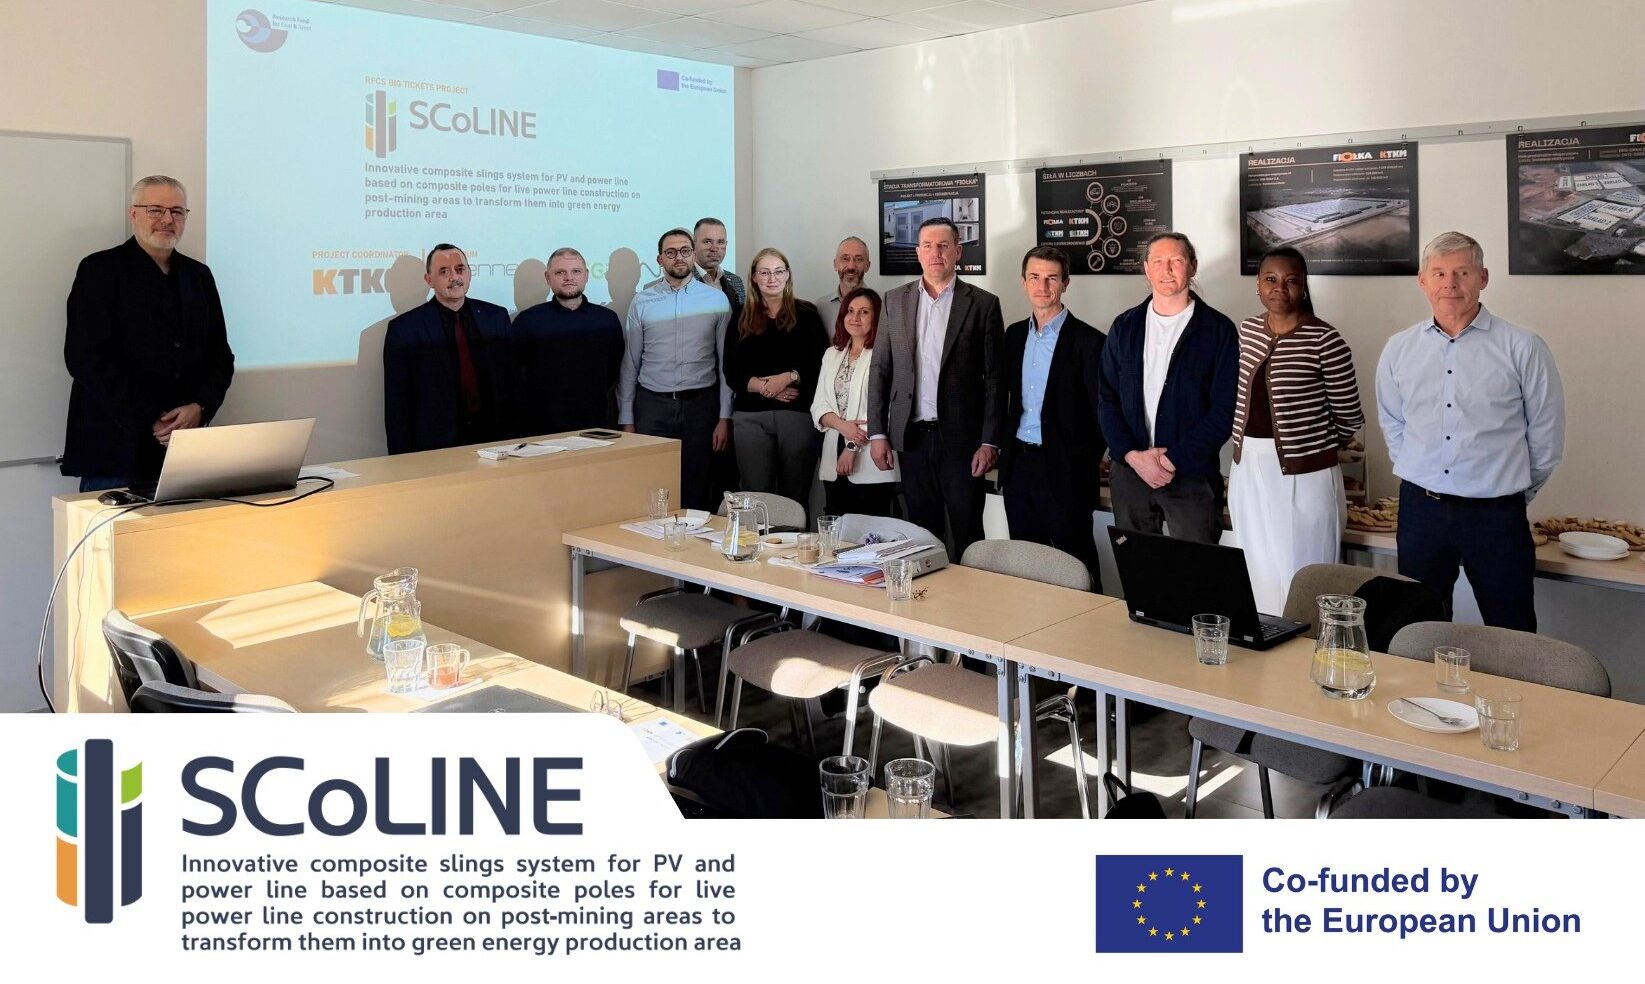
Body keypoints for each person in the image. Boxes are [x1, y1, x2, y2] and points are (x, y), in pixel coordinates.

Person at [1376, 231, 1564, 631]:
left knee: (1512, 631)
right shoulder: (1398, 349)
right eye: (1439, 273)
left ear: (1483, 278)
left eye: (1462, 272)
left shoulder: (1523, 347)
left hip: (1496, 515)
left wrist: (1511, 491)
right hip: (1421, 511)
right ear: (1423, 281)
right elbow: (1393, 423)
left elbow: (1546, 438)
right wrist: (1420, 471)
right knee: (1418, 629)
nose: (1450, 284)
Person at [62, 175, 235, 493]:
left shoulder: (198, 276)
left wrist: (201, 407)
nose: (167, 219)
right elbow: (85, 358)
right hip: (116, 451)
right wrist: (151, 416)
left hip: (184, 449)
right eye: (155, 210)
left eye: (177, 211)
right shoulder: (100, 270)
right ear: (133, 214)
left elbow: (220, 355)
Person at [1229, 247, 1364, 614]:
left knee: (1303, 573)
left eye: (1291, 281)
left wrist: (1312, 446)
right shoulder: (1248, 330)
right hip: (1248, 468)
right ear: (1258, 285)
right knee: (1256, 570)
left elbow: (1349, 415)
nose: (1280, 288)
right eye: (1270, 279)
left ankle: (1306, 643)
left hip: (1306, 475)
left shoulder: (1326, 339)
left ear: (1304, 287)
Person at [866, 217, 1004, 558]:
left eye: (943, 246)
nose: (935, 253)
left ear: (958, 252)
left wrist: (989, 441)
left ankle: (971, 593)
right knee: (921, 535)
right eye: (927, 246)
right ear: (918, 252)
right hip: (912, 439)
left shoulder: (983, 304)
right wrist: (878, 433)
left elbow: (995, 380)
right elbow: (880, 369)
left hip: (962, 442)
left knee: (968, 532)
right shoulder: (894, 300)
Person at [1097, 231, 1238, 544]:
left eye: (1176, 260)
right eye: (1158, 261)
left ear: (1192, 266)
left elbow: (1224, 412)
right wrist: (1133, 456)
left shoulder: (1218, 330)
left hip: (1191, 475)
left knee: (1194, 569)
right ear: (1147, 269)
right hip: (1130, 474)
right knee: (1136, 565)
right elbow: (1107, 400)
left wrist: (1169, 460)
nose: (1167, 269)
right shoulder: (1125, 327)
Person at [1001, 246, 1108, 590]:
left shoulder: (1090, 342)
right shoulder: (1014, 335)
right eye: (1035, 277)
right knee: (1025, 563)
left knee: (1075, 562)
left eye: (1051, 278)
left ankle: (1090, 623)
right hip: (1019, 466)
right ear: (1023, 282)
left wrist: (1084, 461)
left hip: (1066, 469)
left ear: (1065, 283)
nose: (1042, 286)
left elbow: (1102, 413)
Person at [619, 228, 733, 511]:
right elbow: (630, 364)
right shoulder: (642, 301)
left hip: (700, 407)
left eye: (684, 251)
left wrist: (724, 417)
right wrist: (627, 419)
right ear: (660, 259)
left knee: (697, 485)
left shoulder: (716, 300)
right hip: (652, 406)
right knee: (652, 485)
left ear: (693, 255)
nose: (678, 257)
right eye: (670, 252)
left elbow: (725, 364)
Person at [383, 244, 519, 455]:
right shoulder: (405, 329)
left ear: (469, 273)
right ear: (429, 280)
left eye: (460, 269)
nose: (454, 277)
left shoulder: (496, 317)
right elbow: (397, 406)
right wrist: (401, 461)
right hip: (435, 448)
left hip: (495, 441)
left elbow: (512, 384)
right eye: (444, 271)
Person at [722, 248, 829, 514]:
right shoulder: (740, 315)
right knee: (756, 496)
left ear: (788, 275)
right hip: (750, 417)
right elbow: (731, 370)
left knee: (796, 495)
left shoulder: (807, 314)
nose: (772, 278)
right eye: (765, 273)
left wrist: (788, 377)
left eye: (778, 271)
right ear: (754, 277)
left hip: (797, 416)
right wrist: (766, 388)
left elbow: (821, 364)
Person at [513, 247, 624, 433]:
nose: (569, 278)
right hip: (541, 427)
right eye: (560, 272)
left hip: (596, 423)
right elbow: (515, 374)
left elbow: (614, 369)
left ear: (586, 275)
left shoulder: (607, 319)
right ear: (548, 278)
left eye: (576, 271)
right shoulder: (527, 321)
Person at [812, 287, 899, 517]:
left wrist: (852, 446)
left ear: (876, 317)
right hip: (833, 454)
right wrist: (843, 427)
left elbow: (887, 409)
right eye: (850, 311)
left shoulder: (886, 354)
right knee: (837, 527)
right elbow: (818, 405)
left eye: (864, 312)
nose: (855, 317)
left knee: (871, 530)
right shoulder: (832, 354)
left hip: (870, 457)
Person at [816, 236, 871, 329]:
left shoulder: (883, 305)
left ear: (867, 266)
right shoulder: (820, 308)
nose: (851, 267)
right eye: (845, 259)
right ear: (835, 264)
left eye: (858, 259)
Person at [694, 217, 745, 311]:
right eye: (707, 242)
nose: (714, 248)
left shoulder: (735, 281)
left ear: (726, 244)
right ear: (693, 245)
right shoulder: (682, 281)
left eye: (720, 242)